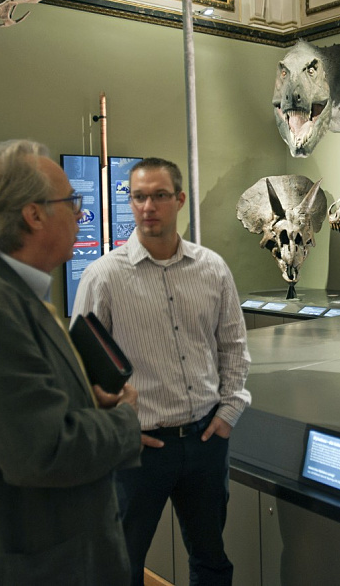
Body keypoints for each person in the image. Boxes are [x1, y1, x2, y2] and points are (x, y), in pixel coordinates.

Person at [0, 139, 147, 585]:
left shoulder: (0, 292)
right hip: (22, 566)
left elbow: (19, 418)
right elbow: (43, 452)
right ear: (34, 214)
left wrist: (87, 403)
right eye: (72, 201)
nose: (81, 213)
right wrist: (125, 420)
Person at [72, 157, 250, 586]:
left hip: (206, 443)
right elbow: (82, 371)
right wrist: (118, 431)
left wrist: (228, 412)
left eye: (159, 195)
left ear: (180, 200)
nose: (147, 205)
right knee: (121, 566)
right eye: (138, 196)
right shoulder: (103, 277)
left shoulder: (212, 269)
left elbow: (233, 347)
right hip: (139, 450)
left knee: (211, 559)